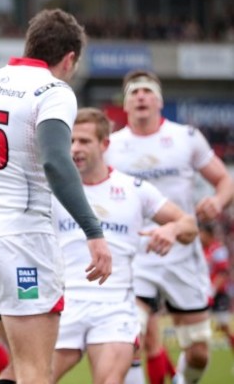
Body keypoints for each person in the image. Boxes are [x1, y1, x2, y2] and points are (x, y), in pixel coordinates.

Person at [0, 8, 112, 384]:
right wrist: (94, 231)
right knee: (36, 371)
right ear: (69, 58)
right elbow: (57, 162)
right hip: (21, 238)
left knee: (17, 366)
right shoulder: (54, 90)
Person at [105, 69, 234, 384]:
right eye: (133, 91)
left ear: (159, 100)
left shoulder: (185, 137)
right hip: (135, 255)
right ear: (126, 103)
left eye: (147, 90)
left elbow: (224, 180)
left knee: (199, 351)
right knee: (130, 338)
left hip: (182, 253)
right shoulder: (112, 146)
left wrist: (218, 201)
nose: (140, 96)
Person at [51, 107, 198, 384]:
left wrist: (172, 228)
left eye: (84, 141)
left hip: (114, 306)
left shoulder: (133, 188)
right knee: (34, 378)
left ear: (105, 144)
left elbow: (189, 224)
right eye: (70, 141)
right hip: (63, 303)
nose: (75, 149)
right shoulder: (52, 190)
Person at [199, 221, 234, 357]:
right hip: (202, 294)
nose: (200, 236)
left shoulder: (218, 250)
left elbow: (222, 272)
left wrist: (212, 290)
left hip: (218, 294)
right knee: (200, 326)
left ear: (209, 234)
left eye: (202, 233)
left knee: (223, 326)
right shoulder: (200, 249)